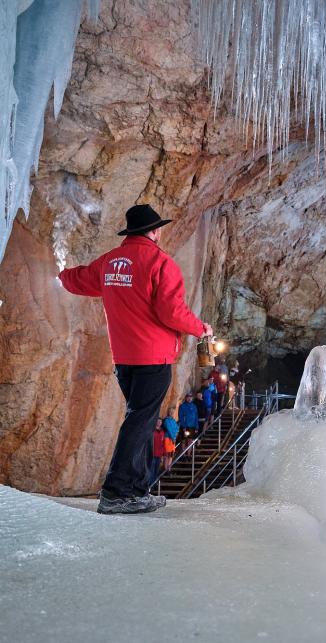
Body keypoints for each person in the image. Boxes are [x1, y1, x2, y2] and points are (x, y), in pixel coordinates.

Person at [58, 204, 213, 514]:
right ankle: (116, 492)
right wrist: (200, 328)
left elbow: (80, 279)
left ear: (131, 232)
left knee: (141, 421)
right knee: (139, 423)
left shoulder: (110, 262)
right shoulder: (160, 263)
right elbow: (171, 311)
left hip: (124, 359)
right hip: (153, 357)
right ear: (154, 231)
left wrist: (59, 273)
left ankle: (138, 490)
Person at [162, 407, 179, 473]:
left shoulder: (173, 420)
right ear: (168, 412)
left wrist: (175, 436)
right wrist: (173, 437)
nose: (171, 413)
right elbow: (169, 430)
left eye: (172, 412)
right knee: (167, 454)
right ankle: (165, 468)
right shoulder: (166, 420)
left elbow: (176, 428)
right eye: (170, 412)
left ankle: (169, 468)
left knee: (171, 454)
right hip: (168, 439)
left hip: (173, 439)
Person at [150, 418, 165, 486]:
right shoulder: (152, 430)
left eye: (160, 422)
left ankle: (155, 483)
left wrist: (163, 454)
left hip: (159, 454)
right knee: (151, 470)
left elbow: (163, 443)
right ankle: (150, 484)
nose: (159, 423)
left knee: (157, 470)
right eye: (158, 421)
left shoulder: (162, 431)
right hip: (152, 453)